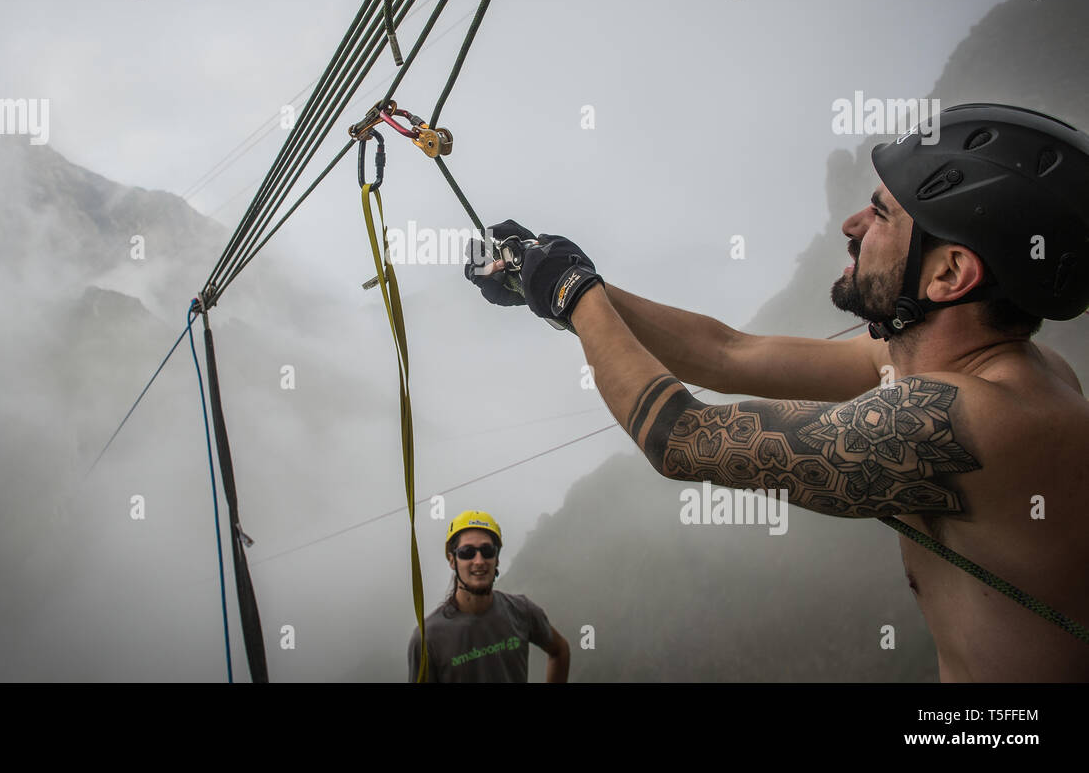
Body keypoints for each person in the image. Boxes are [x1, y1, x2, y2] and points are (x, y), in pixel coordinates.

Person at [465, 103, 1089, 682]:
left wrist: (573, 294)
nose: (850, 225)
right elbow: (726, 352)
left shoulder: (972, 419)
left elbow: (683, 438)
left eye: (881, 215)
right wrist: (554, 281)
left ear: (950, 273)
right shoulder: (957, 368)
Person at [407, 510, 570, 682]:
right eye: (467, 552)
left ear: (497, 558)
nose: (479, 561)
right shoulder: (427, 639)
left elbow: (560, 650)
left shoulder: (522, 611)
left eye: (487, 551)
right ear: (452, 560)